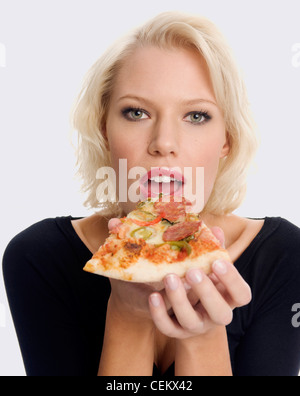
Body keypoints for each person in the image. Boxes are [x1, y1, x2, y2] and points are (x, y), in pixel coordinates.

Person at [3, 11, 300, 377]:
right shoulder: (37, 256)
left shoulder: (286, 256)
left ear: (227, 139)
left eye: (196, 116)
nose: (163, 143)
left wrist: (204, 335)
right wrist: (128, 312)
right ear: (104, 128)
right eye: (137, 112)